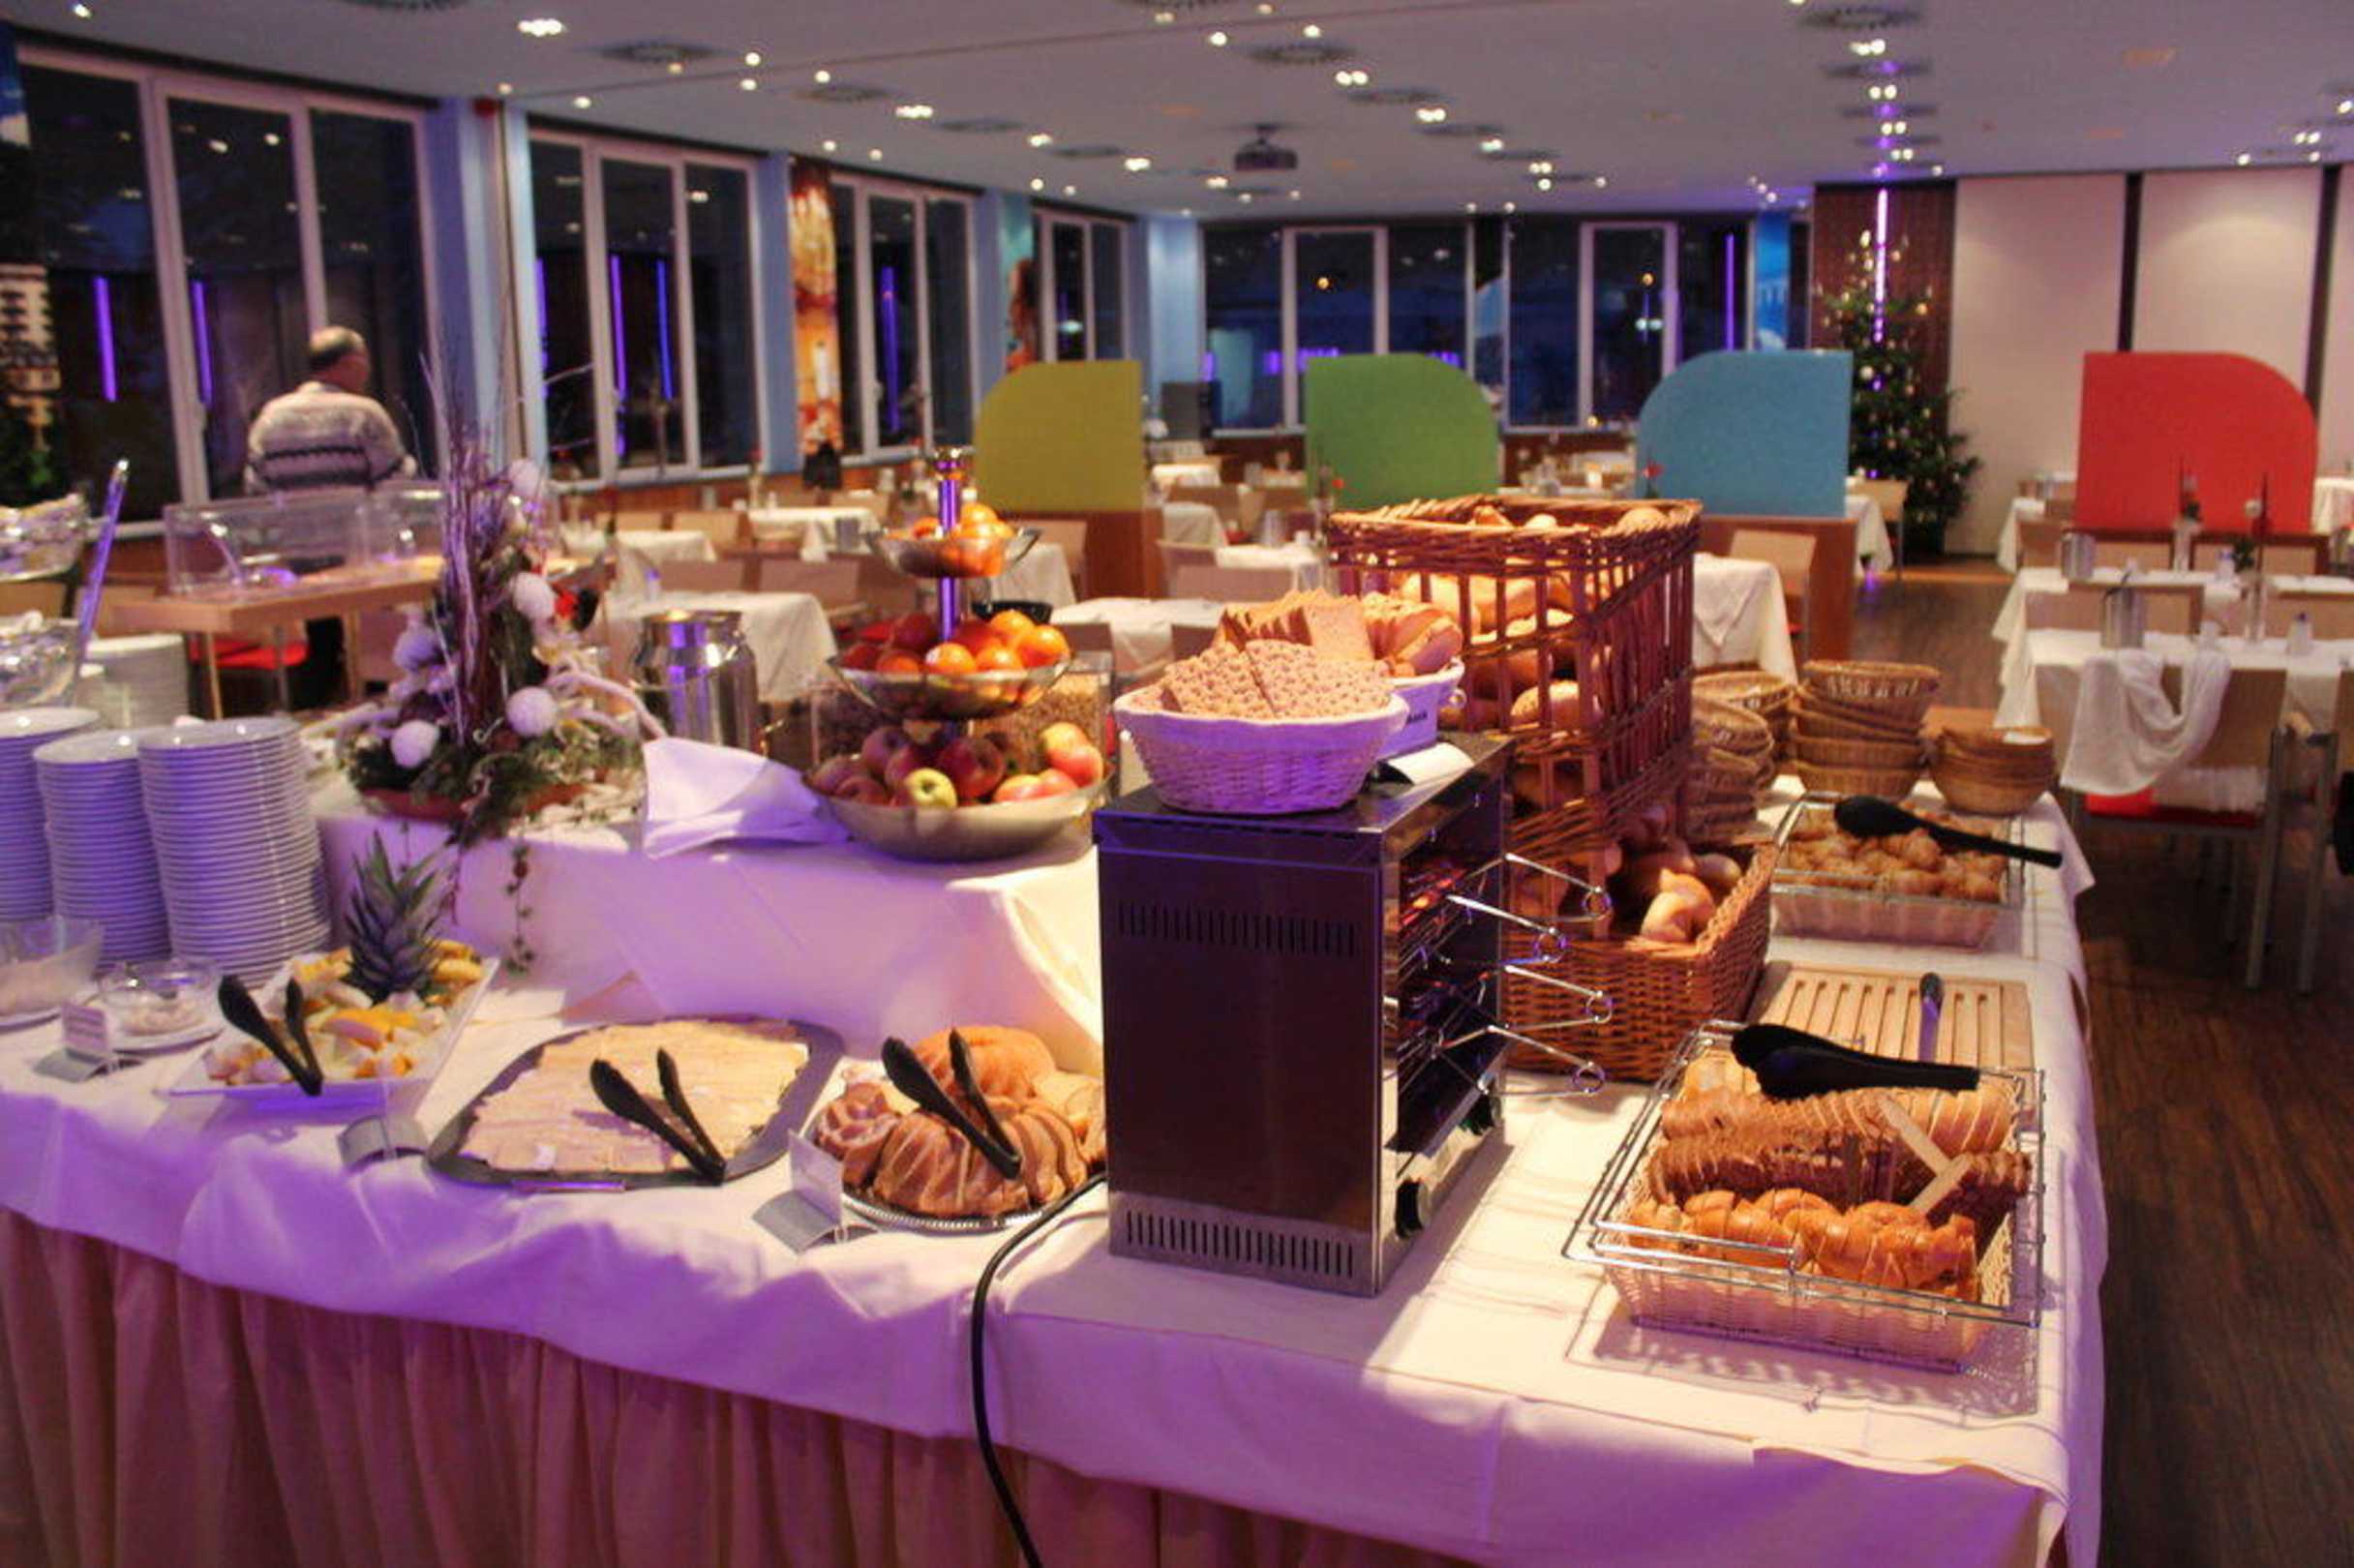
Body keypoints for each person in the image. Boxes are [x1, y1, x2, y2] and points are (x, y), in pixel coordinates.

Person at [245, 327, 414, 494]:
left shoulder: (270, 416)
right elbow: (395, 483)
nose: (368, 370)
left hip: (292, 514)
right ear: (350, 363)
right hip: (353, 513)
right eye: (365, 361)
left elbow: (256, 487)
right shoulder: (364, 414)